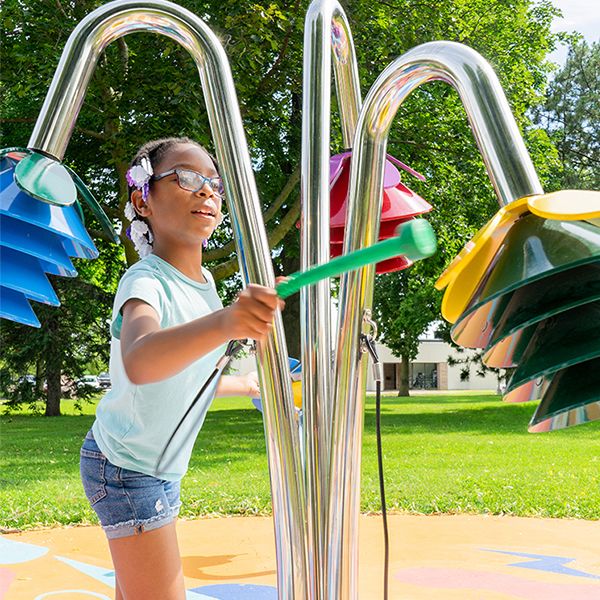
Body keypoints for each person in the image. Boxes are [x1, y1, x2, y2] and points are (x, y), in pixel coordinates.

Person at [79, 137, 283, 600]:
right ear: (142, 199)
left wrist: (247, 382)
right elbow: (143, 360)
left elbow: (186, 377)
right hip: (126, 467)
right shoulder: (145, 281)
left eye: (214, 185)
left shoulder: (206, 285)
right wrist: (228, 320)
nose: (206, 192)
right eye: (187, 179)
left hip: (157, 468)